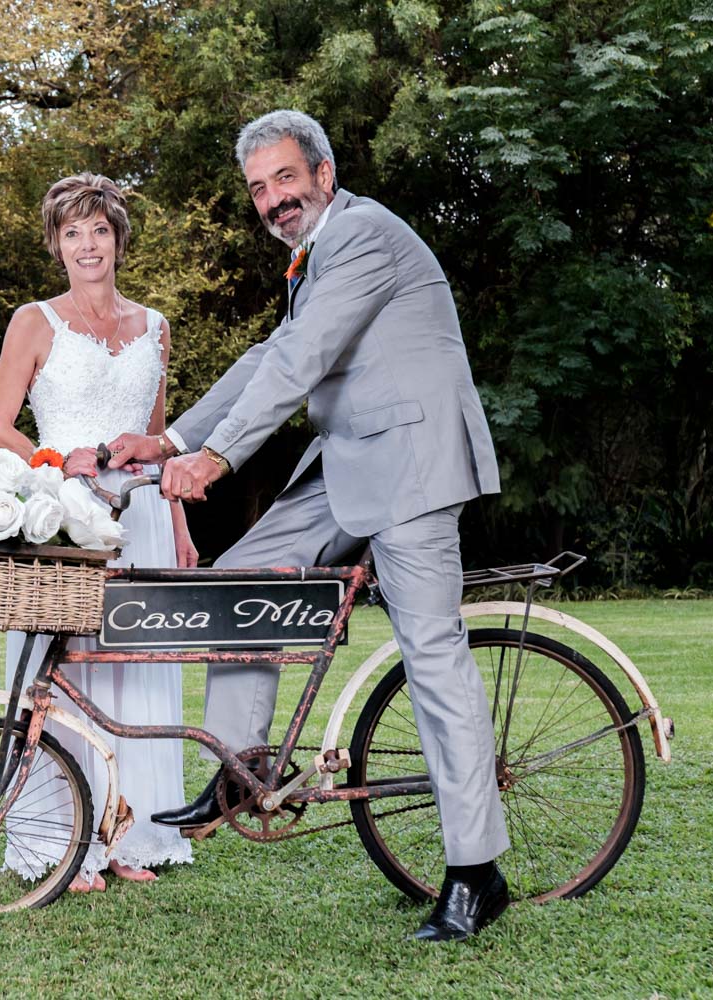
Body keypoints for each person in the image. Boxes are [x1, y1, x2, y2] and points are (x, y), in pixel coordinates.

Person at [106, 111, 510, 940]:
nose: (272, 200)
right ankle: (239, 768)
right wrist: (172, 440)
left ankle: (477, 873)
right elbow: (269, 355)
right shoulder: (314, 255)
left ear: (324, 173)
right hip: (347, 464)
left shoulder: (363, 235)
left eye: (285, 179)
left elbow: (301, 361)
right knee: (238, 584)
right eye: (258, 188)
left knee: (432, 659)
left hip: (414, 467)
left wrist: (217, 458)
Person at [0, 172, 197, 892]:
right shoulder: (34, 321)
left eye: (98, 230)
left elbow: (161, 440)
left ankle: (129, 834)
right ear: (56, 244)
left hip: (144, 519)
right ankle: (64, 839)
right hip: (67, 518)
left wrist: (180, 525)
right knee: (67, 672)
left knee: (136, 670)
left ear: (118, 240)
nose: (87, 245)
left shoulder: (156, 326)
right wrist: (51, 461)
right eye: (72, 232)